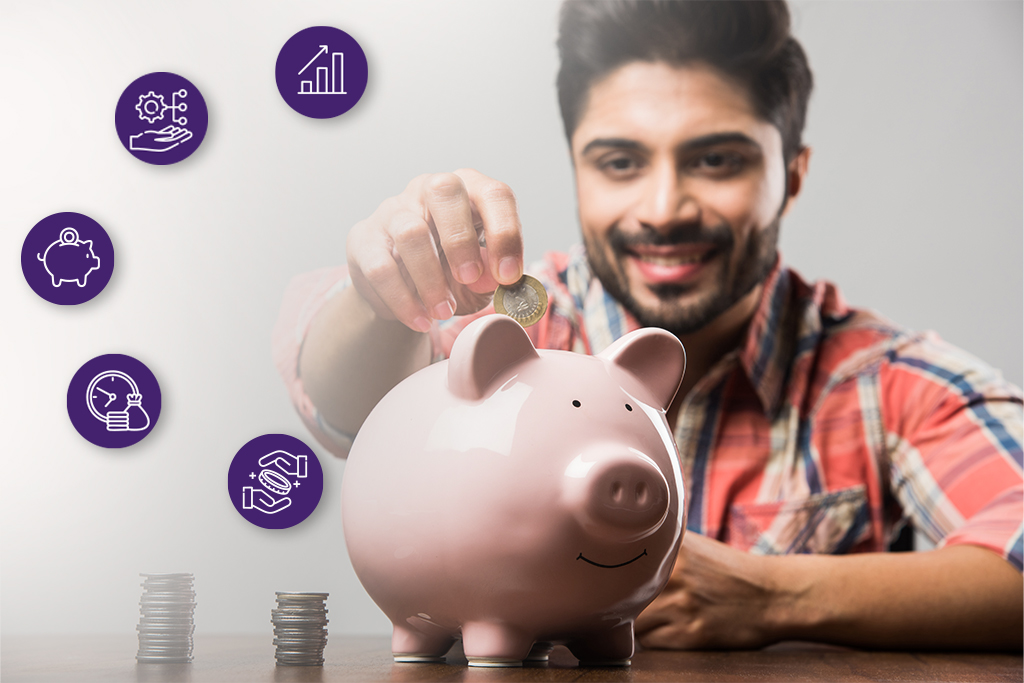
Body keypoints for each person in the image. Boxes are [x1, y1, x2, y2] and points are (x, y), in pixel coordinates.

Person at [274, 0, 1022, 651]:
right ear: (576, 167)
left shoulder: (889, 383)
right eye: (621, 162)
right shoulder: (505, 326)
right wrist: (382, 298)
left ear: (791, 176)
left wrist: (773, 596)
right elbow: (343, 403)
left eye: (716, 160)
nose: (664, 209)